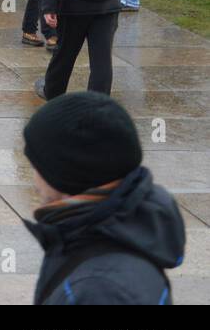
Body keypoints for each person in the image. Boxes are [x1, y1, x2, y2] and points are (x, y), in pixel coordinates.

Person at [22, 92, 184, 305]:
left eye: (37, 165)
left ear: (63, 174)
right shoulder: (97, 234)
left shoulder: (100, 290)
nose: (33, 179)